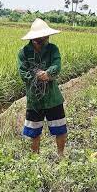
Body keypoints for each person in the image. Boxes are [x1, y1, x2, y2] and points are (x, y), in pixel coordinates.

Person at [18, 18, 67, 156]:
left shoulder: (53, 49)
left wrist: (48, 73)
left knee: (60, 129)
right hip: (34, 100)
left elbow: (57, 65)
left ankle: (61, 155)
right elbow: (23, 73)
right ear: (35, 38)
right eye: (43, 37)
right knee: (34, 132)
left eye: (47, 36)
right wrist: (37, 76)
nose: (46, 39)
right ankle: (35, 158)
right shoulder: (23, 53)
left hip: (53, 98)